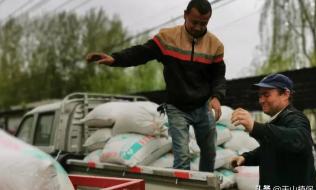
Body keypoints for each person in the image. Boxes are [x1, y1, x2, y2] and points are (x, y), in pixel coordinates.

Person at [86, 0, 226, 172]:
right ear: (185, 15)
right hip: (177, 107)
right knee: (182, 156)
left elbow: (219, 75)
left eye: (203, 23)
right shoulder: (167, 38)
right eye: (194, 22)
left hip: (202, 105)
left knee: (210, 151)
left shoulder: (215, 45)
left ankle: (206, 183)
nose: (198, 27)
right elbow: (141, 53)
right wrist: (116, 59)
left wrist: (217, 97)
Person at [230, 73, 316, 188]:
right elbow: (272, 149)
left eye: (266, 95)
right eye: (260, 96)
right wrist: (246, 157)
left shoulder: (296, 118)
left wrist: (255, 126)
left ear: (285, 94)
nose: (261, 100)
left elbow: (298, 140)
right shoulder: (276, 121)